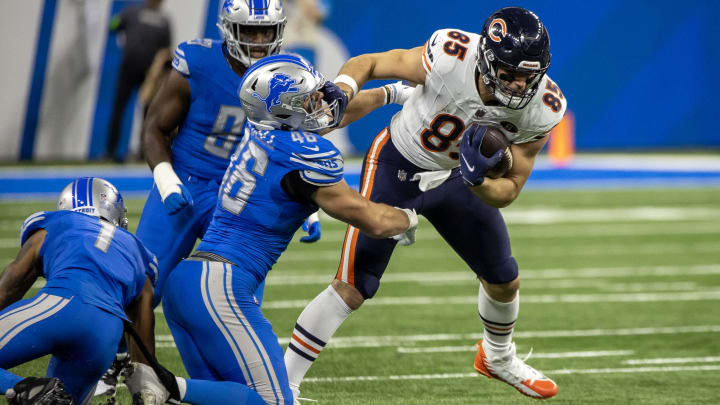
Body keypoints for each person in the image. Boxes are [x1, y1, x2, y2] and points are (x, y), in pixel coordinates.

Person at [283, 6, 567, 400]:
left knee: (504, 279)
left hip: (455, 179)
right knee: (353, 286)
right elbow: (372, 62)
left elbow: (512, 186)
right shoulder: (452, 55)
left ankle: (497, 357)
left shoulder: (545, 106)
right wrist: (344, 89)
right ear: (485, 61)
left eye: (528, 76)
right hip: (398, 163)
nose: (520, 86)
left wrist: (479, 180)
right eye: (509, 73)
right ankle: (283, 384)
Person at [159, 54, 418, 405]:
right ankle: (165, 387)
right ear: (285, 111)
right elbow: (372, 220)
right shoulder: (304, 155)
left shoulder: (261, 127)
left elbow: (334, 116)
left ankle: (169, 388)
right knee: (273, 401)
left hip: (189, 281)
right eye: (309, 99)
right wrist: (412, 213)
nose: (320, 103)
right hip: (222, 285)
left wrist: (390, 93)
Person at [0, 178, 158, 405]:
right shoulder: (137, 251)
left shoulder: (57, 223)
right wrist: (145, 386)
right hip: (105, 335)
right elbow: (143, 319)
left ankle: (24, 388)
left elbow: (9, 288)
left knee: (43, 395)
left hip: (62, 304)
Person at [106, 0, 171, 162]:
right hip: (141, 72)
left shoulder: (133, 13)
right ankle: (123, 152)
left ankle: (130, 152)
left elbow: (113, 25)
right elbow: (166, 54)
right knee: (139, 112)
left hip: (141, 72)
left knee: (140, 112)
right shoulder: (160, 20)